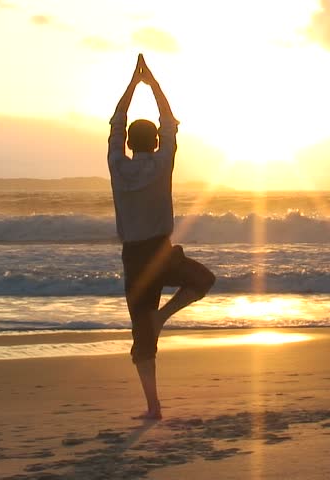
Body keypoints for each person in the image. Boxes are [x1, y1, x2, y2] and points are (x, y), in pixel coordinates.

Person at [108, 54, 216, 420]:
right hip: (160, 252)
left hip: (135, 258)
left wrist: (131, 86)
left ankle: (153, 405)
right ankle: (163, 317)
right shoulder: (162, 161)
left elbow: (115, 125)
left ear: (128, 142)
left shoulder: (117, 165)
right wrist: (152, 84)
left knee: (143, 338)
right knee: (203, 280)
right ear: (154, 142)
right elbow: (168, 122)